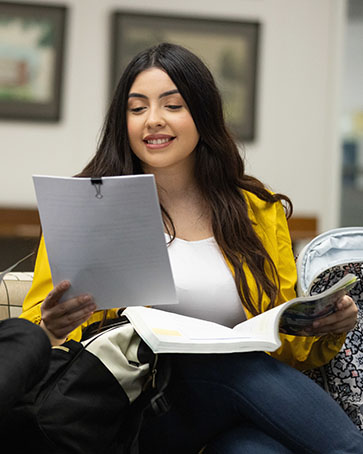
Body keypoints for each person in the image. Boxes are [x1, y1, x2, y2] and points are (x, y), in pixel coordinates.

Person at [20, 43, 362, 453]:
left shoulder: (257, 209)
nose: (153, 121)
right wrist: (52, 328)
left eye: (173, 105)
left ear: (202, 113)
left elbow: (287, 347)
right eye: (137, 108)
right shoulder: (88, 208)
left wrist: (325, 329)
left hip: (230, 408)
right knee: (228, 361)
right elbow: (38, 346)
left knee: (255, 450)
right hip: (135, 413)